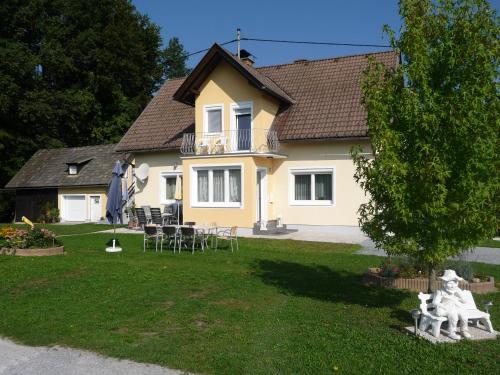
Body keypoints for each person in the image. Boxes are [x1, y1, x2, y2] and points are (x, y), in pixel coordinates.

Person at [432, 269, 471, 340]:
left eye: (455, 282)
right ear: (444, 283)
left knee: (464, 316)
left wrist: (459, 294)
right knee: (454, 316)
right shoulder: (440, 292)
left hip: (456, 307)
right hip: (446, 308)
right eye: (450, 283)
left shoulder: (456, 290)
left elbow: (464, 300)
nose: (453, 286)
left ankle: (464, 330)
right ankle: (452, 332)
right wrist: (442, 306)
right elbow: (435, 302)